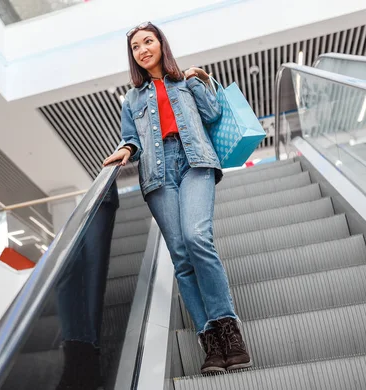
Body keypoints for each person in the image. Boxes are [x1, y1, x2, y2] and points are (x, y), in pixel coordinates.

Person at [103, 21, 252, 374]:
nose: (143, 49)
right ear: (133, 56)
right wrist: (125, 148)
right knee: (181, 258)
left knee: (197, 237)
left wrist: (201, 81)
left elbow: (213, 114)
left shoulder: (185, 80)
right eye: (136, 47)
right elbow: (132, 139)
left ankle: (229, 329)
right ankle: (210, 339)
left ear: (160, 44)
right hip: (158, 175)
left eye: (148, 41)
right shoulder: (132, 99)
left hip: (195, 162)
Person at [55, 182, 119, 389]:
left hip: (103, 191)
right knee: (73, 268)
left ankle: (82, 360)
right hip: (90, 192)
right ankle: (83, 359)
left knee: (83, 269)